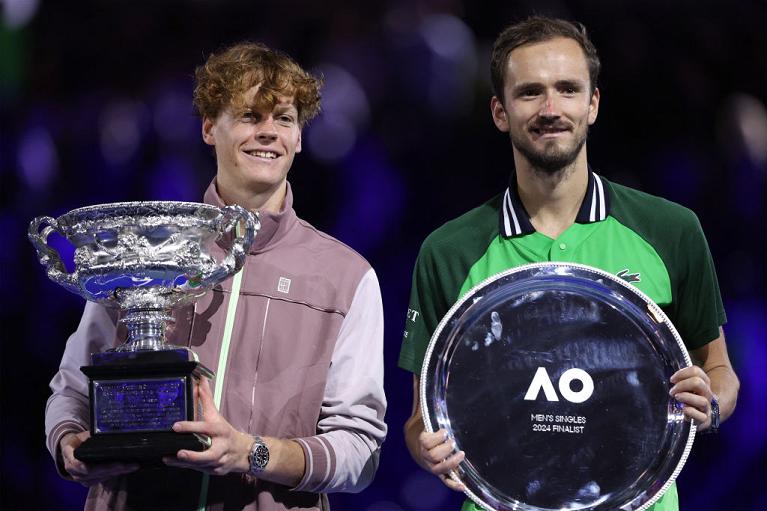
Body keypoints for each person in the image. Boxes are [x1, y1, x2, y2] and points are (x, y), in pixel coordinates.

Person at [398, 16, 739, 511]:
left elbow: (720, 372)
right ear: (500, 111)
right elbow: (419, 420)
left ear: (593, 104)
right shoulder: (449, 250)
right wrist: (427, 450)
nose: (551, 109)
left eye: (568, 89)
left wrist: (709, 403)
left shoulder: (671, 230)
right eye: (530, 92)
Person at [45, 42, 387, 510]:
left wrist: (250, 452)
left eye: (284, 119)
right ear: (210, 128)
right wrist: (68, 444)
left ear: (301, 137)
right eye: (250, 116)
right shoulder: (144, 247)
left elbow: (360, 453)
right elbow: (71, 390)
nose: (269, 133)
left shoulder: (346, 277)